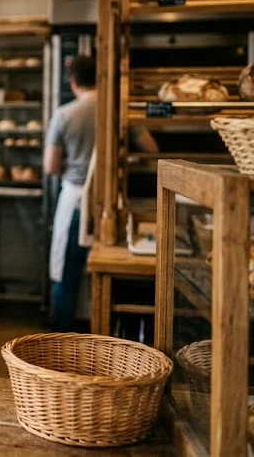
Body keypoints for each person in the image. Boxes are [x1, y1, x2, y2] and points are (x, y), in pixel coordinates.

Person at [44, 56, 157, 331]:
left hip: (75, 202)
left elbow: (51, 166)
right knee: (109, 275)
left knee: (66, 276)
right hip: (111, 204)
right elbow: (152, 150)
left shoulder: (65, 114)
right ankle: (108, 341)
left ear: (73, 82)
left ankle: (60, 345)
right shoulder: (119, 112)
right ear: (101, 78)